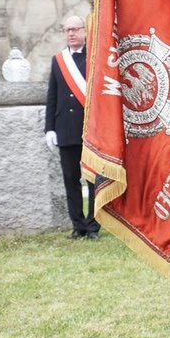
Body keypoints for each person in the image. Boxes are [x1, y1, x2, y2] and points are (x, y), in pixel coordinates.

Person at [45, 15, 100, 240]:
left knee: (93, 180)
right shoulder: (58, 61)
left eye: (75, 29)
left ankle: (93, 226)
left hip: (90, 130)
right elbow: (52, 96)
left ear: (84, 32)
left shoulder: (95, 57)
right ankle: (78, 225)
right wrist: (49, 128)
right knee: (70, 179)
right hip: (66, 129)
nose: (71, 34)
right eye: (67, 30)